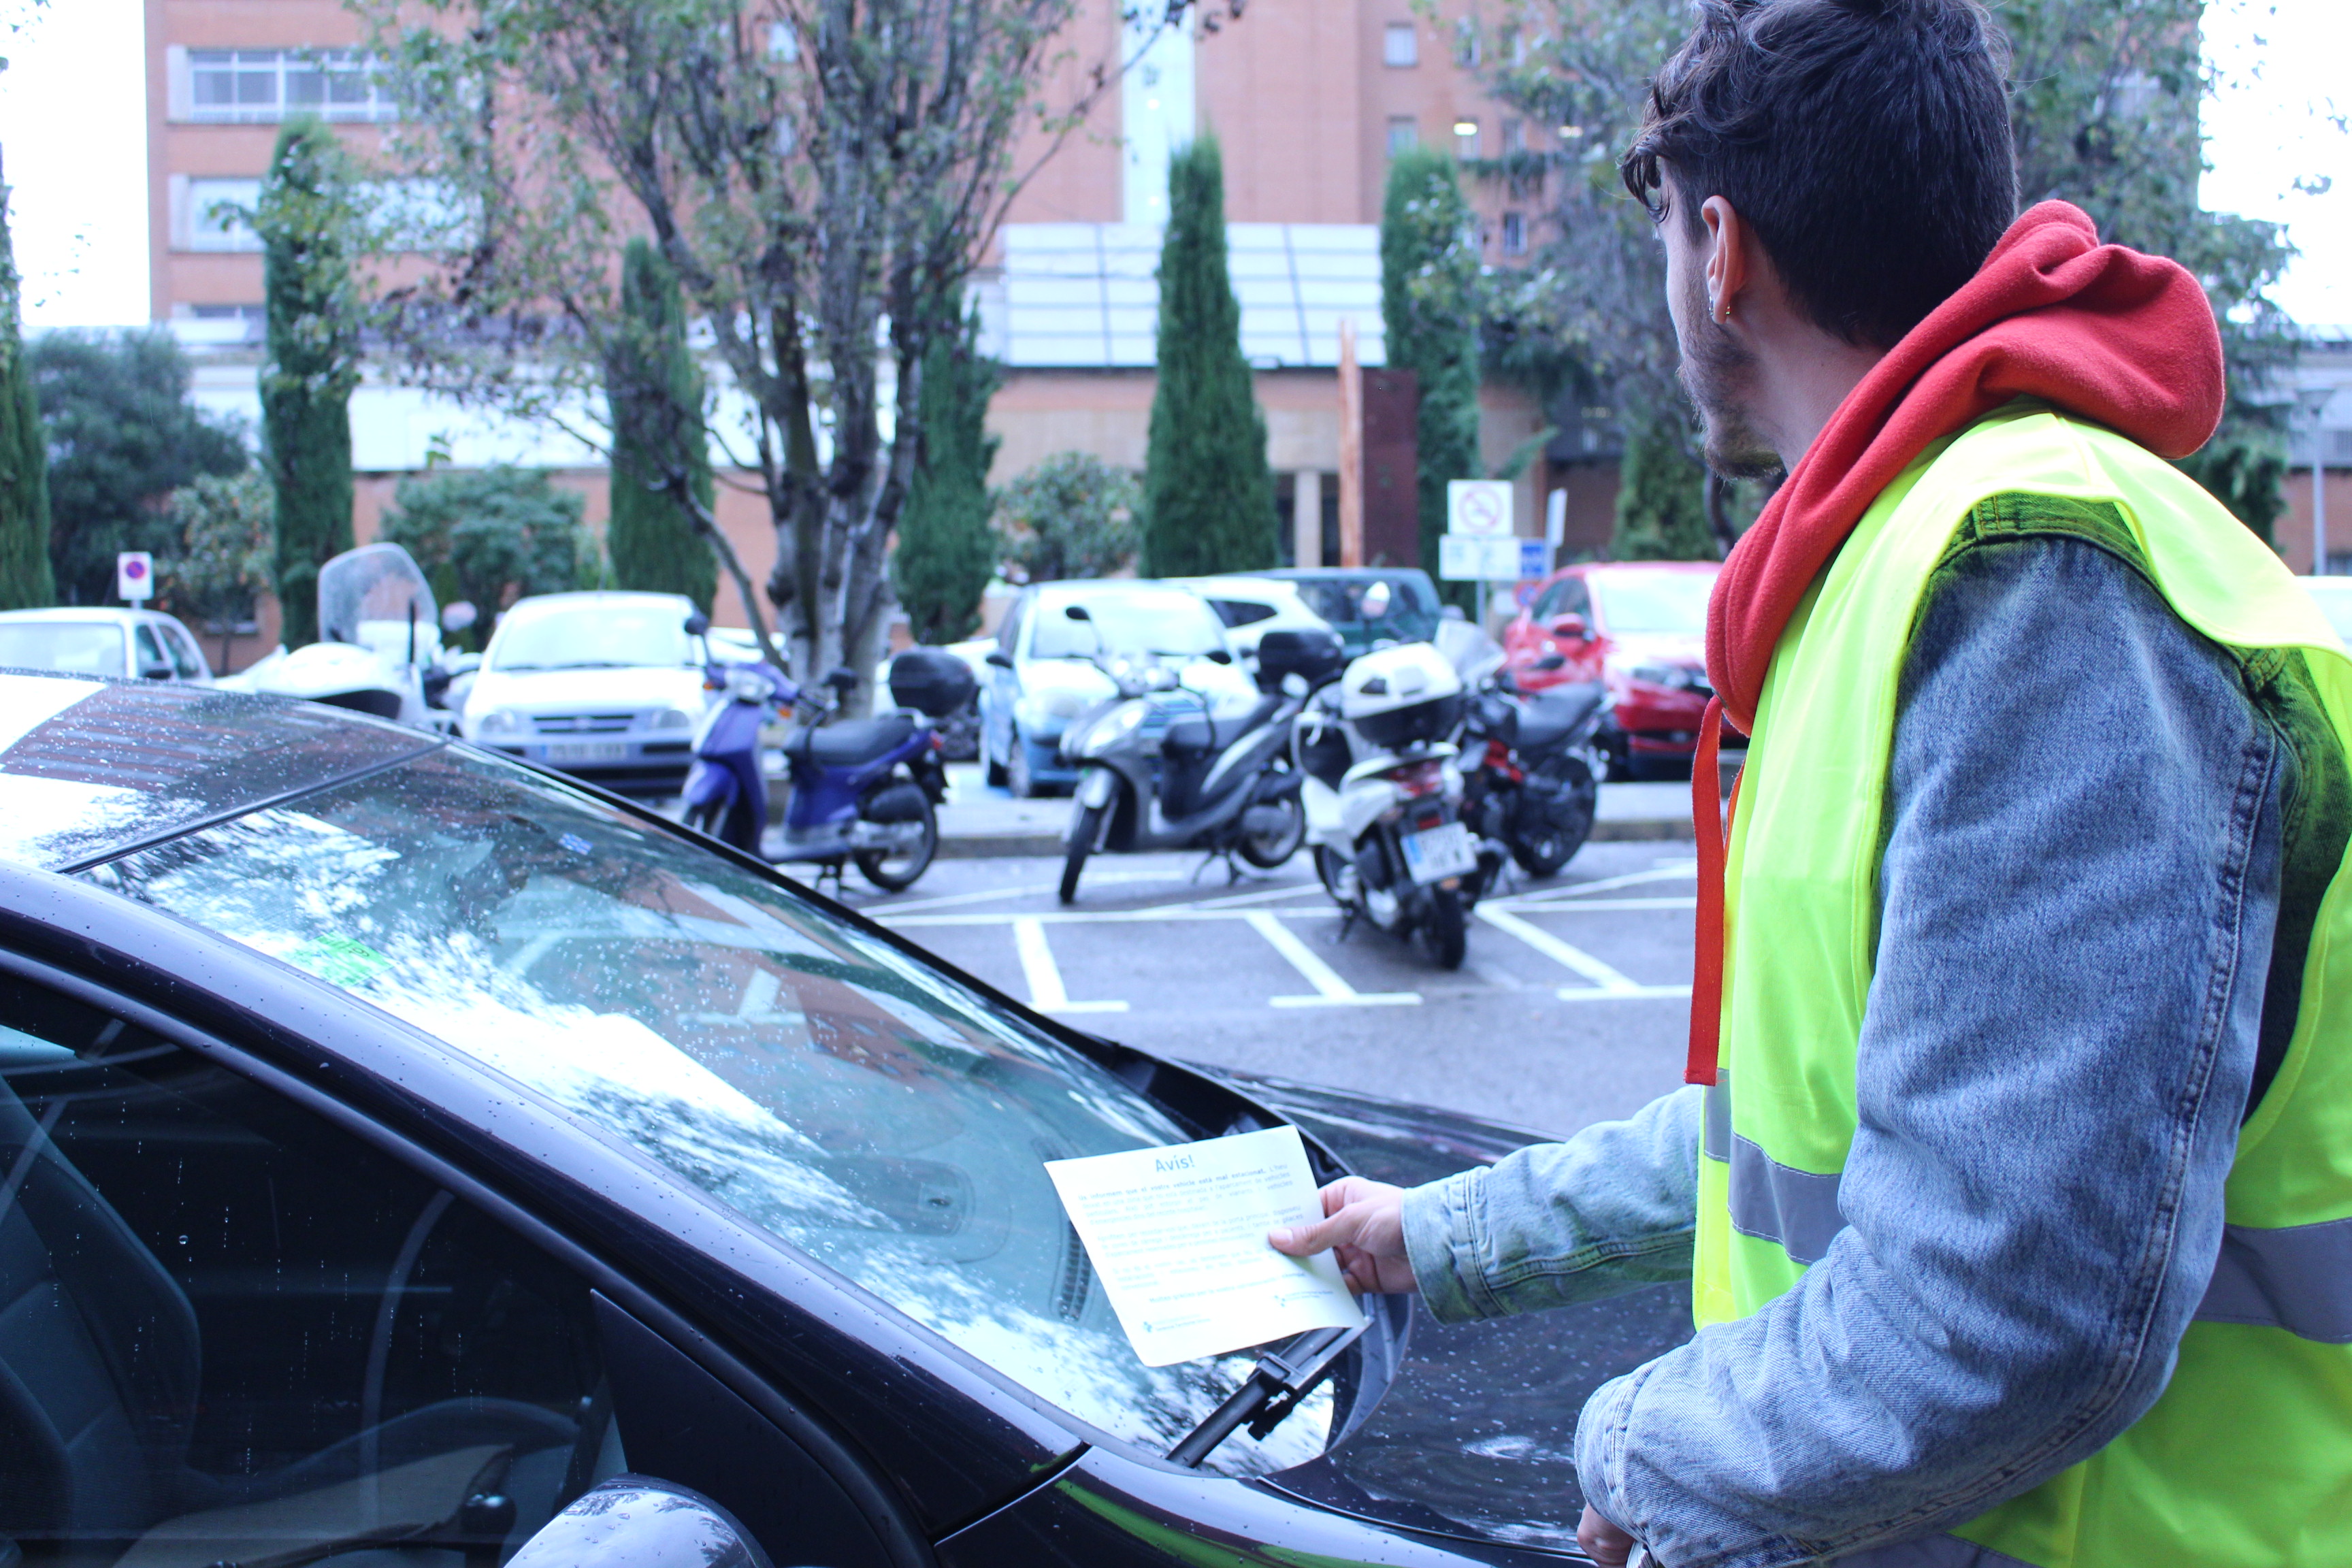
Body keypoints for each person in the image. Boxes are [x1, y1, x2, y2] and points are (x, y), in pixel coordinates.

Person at [1271, 1, 2352, 1565]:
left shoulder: (2031, 584)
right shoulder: (1907, 565)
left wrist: (1647, 1451)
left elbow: (2006, 1310)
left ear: (1721, 252)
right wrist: (1435, 1235)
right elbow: (1785, 1134)